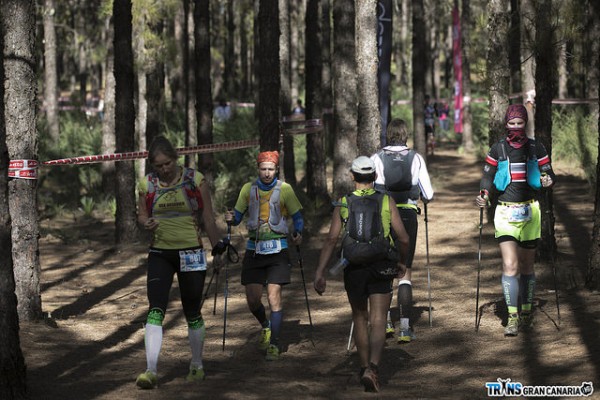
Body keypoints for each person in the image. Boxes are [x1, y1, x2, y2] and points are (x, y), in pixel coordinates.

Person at [135, 136, 227, 389]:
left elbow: (208, 218)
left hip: (191, 253)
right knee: (155, 309)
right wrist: (146, 222)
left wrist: (218, 249)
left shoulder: (195, 181)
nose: (164, 169)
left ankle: (196, 365)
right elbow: (141, 214)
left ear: (176, 159)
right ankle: (150, 371)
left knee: (192, 311)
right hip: (160, 253)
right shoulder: (147, 184)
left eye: (167, 164)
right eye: (158, 166)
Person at [314, 156, 410, 393]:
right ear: (375, 176)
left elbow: (331, 239)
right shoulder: (386, 200)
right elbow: (404, 237)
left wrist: (320, 272)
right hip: (381, 265)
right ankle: (373, 369)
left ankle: (363, 365)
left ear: (352, 176)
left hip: (354, 267)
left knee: (359, 317)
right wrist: (402, 262)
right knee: (379, 319)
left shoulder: (343, 203)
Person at [475, 103, 556, 337]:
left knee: (527, 266)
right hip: (505, 213)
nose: (516, 127)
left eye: (520, 123)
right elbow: (487, 177)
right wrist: (483, 195)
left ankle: (527, 311)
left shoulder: (536, 147)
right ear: (506, 124)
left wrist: (549, 180)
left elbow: (550, 173)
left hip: (530, 212)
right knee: (510, 266)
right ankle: (512, 316)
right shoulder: (498, 149)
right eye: (512, 123)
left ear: (526, 124)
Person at [224, 151, 304, 361]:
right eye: (263, 169)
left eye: (271, 169)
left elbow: (297, 217)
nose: (267, 173)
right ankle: (266, 326)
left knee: (273, 297)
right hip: (254, 249)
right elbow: (238, 216)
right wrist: (231, 219)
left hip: (278, 248)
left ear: (276, 169)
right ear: (258, 169)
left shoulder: (285, 189)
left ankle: (275, 345)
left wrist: (298, 232)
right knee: (252, 300)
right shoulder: (247, 190)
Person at [371, 118, 434, 343]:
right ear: (405, 134)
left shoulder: (376, 158)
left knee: (384, 267)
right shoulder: (416, 158)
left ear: (388, 134)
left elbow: (369, 189)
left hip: (384, 215)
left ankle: (386, 321)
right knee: (404, 270)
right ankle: (406, 328)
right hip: (407, 214)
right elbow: (429, 194)